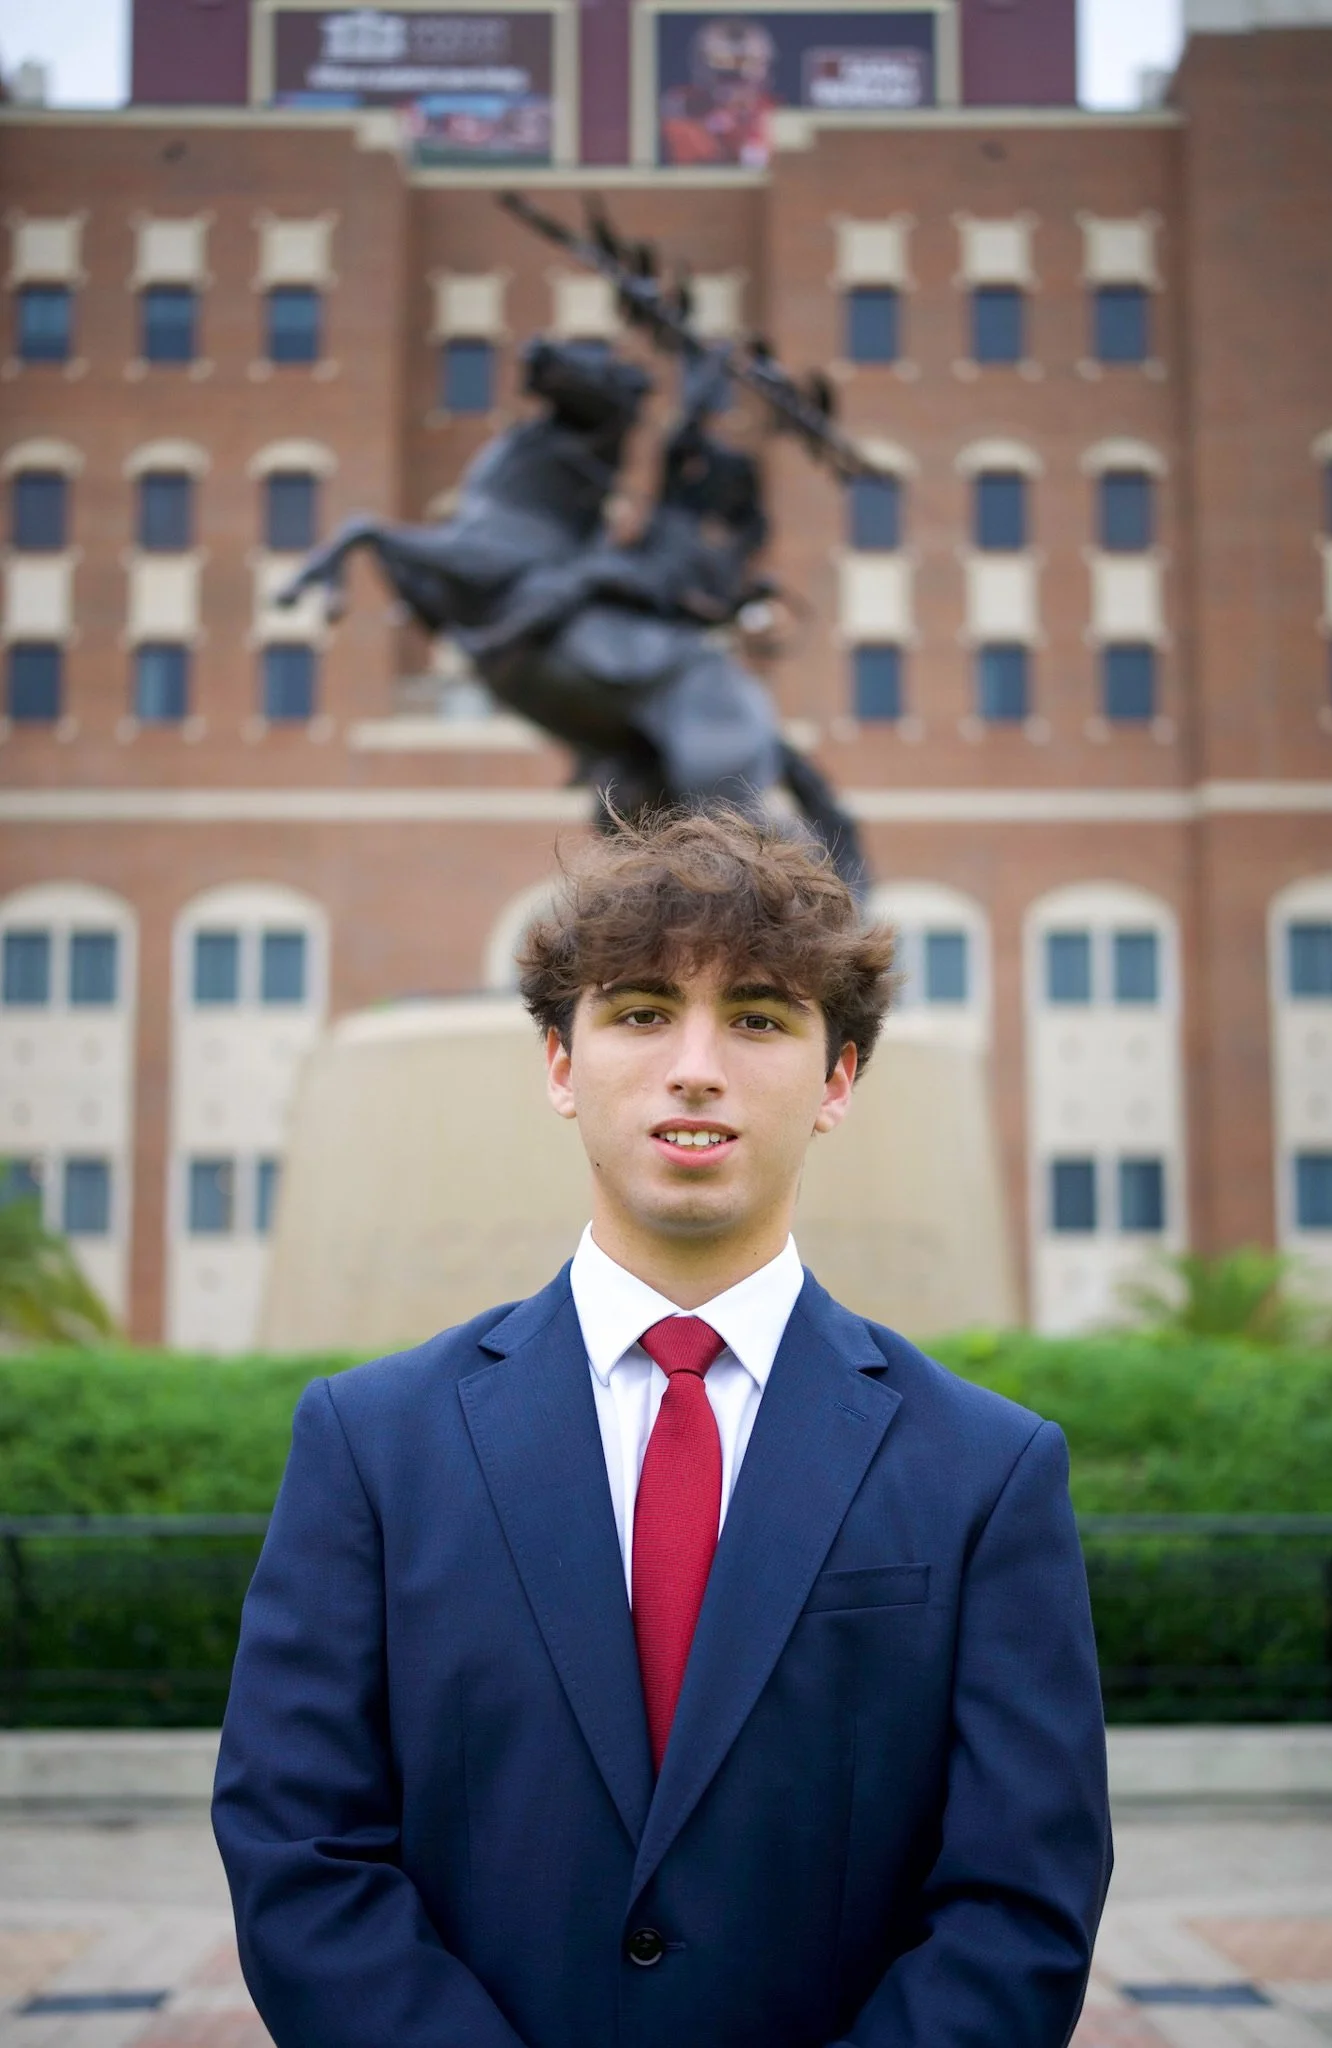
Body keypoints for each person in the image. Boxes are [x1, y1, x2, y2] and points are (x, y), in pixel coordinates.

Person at [212, 808, 1112, 2048]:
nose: (696, 1065)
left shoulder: (986, 1470)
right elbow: (299, 1848)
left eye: (758, 1016)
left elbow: (1021, 1902)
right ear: (561, 1066)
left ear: (838, 1077)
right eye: (640, 1011)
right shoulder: (372, 1444)